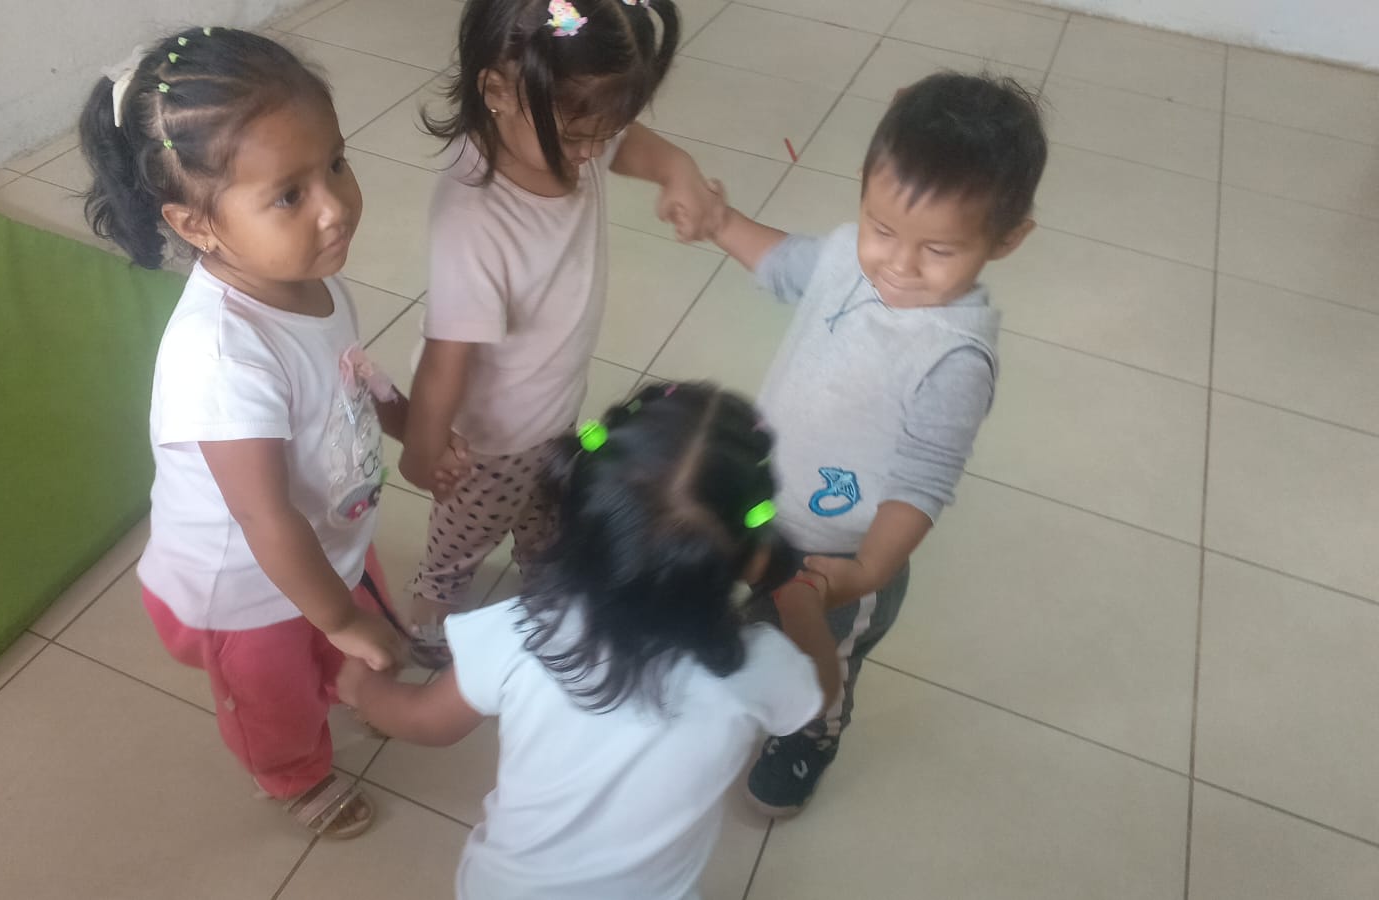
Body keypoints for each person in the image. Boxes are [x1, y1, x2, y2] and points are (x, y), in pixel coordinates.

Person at [79, 27, 443, 837]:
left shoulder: (307, 277)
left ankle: (349, 673)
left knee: (347, 629)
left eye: (336, 164)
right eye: (289, 195)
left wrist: (403, 418)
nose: (334, 207)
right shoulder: (221, 357)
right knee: (273, 695)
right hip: (245, 585)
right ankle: (292, 774)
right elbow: (264, 519)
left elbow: (349, 368)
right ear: (196, 224)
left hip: (327, 535)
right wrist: (339, 618)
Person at [341, 383, 837, 899]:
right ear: (753, 556)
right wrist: (801, 604)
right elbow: (820, 692)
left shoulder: (522, 631)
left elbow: (425, 722)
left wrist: (364, 689)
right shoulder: (756, 665)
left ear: (575, 510)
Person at [710, 72, 1048, 817]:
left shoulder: (954, 357)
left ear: (1007, 239)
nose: (898, 263)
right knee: (751, 620)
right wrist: (719, 220)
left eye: (939, 249)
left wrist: (864, 573)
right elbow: (786, 263)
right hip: (761, 509)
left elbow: (923, 481)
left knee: (817, 659)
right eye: (882, 228)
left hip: (838, 556)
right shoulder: (847, 255)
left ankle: (812, 734)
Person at [398, 0, 725, 666]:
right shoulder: (474, 218)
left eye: (605, 134)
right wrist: (422, 448)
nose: (591, 155)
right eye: (578, 139)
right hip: (493, 437)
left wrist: (678, 169)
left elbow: (625, 143)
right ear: (495, 91)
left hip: (551, 402)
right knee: (467, 533)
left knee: (548, 514)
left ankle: (545, 583)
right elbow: (446, 356)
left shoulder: (562, 117)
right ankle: (434, 602)